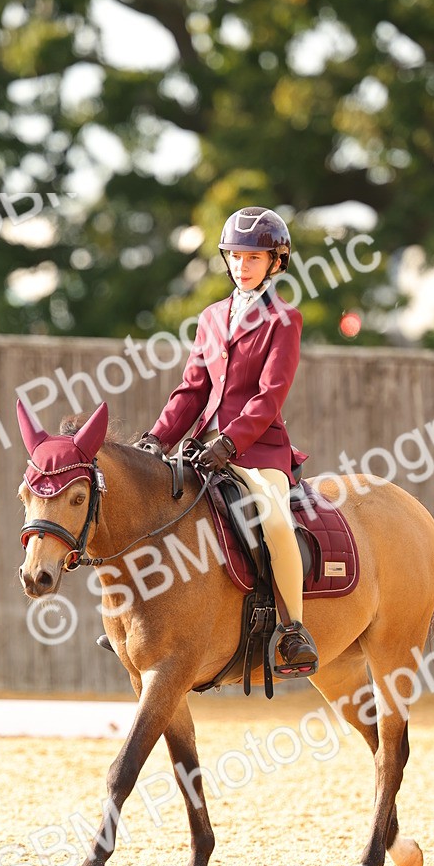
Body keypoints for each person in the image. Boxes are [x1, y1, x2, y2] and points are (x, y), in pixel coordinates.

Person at [137, 206, 318, 673]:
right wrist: (158, 438)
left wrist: (230, 443)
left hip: (256, 449)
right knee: (150, 506)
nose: (242, 266)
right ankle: (143, 622)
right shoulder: (212, 317)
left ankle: (294, 629)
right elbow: (193, 388)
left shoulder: (284, 320)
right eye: (235, 256)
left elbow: (269, 396)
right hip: (201, 446)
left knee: (275, 521)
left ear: (276, 262)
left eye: (254, 258)